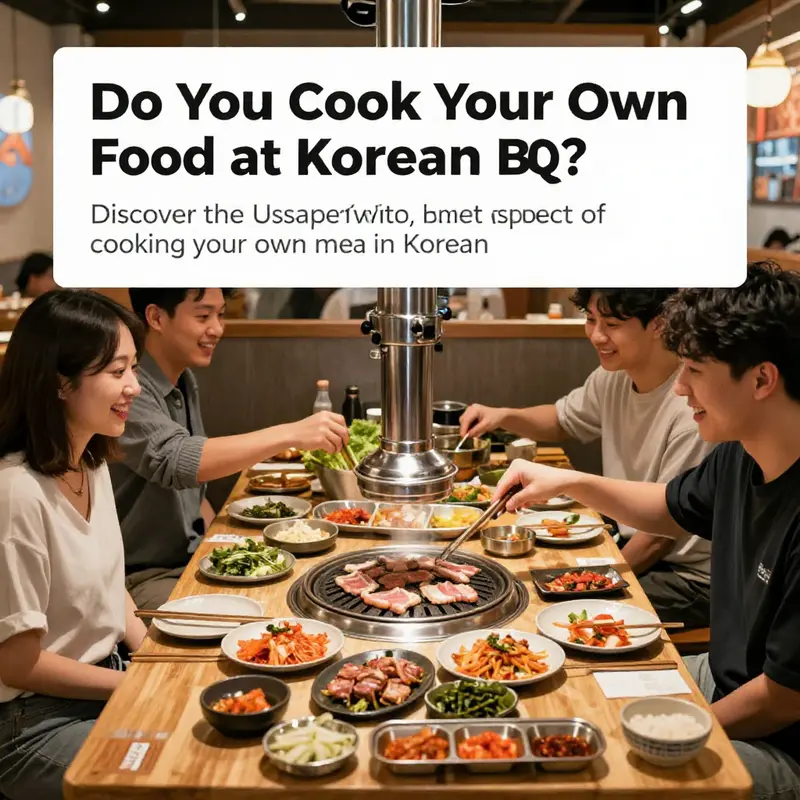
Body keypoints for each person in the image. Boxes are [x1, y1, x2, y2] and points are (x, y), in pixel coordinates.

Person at [495, 261, 800, 799]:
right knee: (576, 695)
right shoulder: (740, 457)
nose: (679, 389)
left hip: (783, 743)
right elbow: (666, 505)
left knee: (607, 771)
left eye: (695, 371)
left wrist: (674, 724)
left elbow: (783, 698)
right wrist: (567, 479)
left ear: (761, 378)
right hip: (723, 674)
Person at [459, 289, 713, 628]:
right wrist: (502, 415)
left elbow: (660, 537)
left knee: (543, 610)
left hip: (687, 576)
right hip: (633, 542)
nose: (596, 335)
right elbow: (562, 419)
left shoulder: (690, 408)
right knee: (526, 582)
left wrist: (583, 581)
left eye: (611, 323)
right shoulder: (616, 375)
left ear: (659, 323)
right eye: (590, 319)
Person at [110, 288, 349, 609]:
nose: (217, 328)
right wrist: (290, 433)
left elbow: (193, 485)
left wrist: (221, 540)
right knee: (266, 614)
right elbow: (178, 461)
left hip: (189, 556)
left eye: (221, 315)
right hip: (142, 577)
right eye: (203, 316)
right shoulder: (131, 391)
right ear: (156, 317)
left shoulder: (182, 379)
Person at [0, 290, 148, 800]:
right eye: (116, 371)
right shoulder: (16, 492)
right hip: (30, 722)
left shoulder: (91, 463)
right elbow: (16, 663)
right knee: (159, 775)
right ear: (61, 383)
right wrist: (135, 687)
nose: (134, 386)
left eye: (134, 367)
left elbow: (113, 587)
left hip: (104, 681)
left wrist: (155, 659)